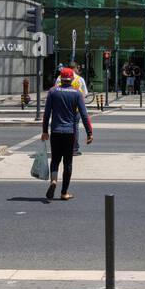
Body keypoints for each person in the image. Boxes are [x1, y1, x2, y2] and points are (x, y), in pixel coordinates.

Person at [40, 67, 93, 200]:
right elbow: (84, 114)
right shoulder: (76, 93)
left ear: (61, 78)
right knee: (68, 163)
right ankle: (64, 193)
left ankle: (53, 180)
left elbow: (47, 114)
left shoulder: (52, 92)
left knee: (55, 160)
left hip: (56, 131)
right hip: (70, 132)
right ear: (72, 79)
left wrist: (45, 131)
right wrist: (89, 132)